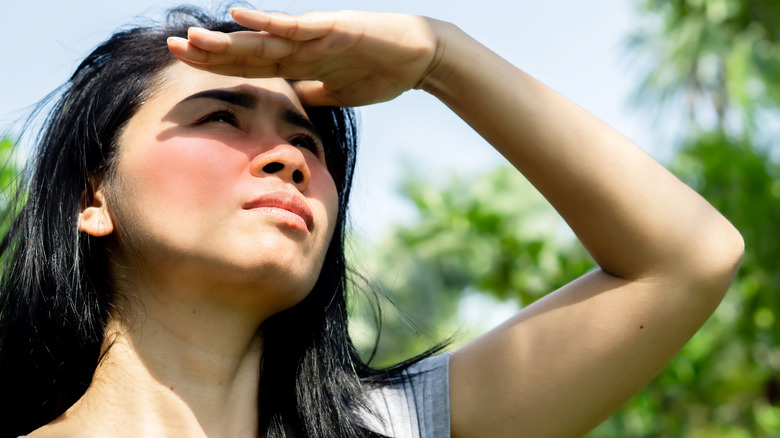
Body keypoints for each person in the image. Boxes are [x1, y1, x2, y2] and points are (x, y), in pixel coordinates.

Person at [0, 5, 743, 438]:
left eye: (307, 142)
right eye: (223, 116)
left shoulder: (398, 426)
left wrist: (440, 57)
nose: (288, 160)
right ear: (91, 196)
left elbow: (689, 258)